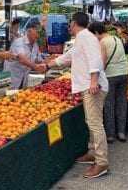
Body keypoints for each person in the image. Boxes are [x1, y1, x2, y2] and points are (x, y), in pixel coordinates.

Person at [46, 12, 109, 178]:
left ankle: (101, 162)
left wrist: (94, 81)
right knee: (91, 121)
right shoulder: (82, 38)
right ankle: (92, 152)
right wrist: (49, 65)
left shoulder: (86, 37)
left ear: (73, 23)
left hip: (92, 86)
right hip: (89, 86)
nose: (68, 27)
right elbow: (69, 56)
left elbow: (95, 59)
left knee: (95, 123)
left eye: (69, 24)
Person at [88, 22, 128, 144]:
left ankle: (110, 134)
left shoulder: (103, 42)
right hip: (124, 73)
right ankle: (121, 132)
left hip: (111, 75)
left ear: (96, 32)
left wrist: (94, 76)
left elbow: (103, 62)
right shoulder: (117, 38)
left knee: (109, 104)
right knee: (122, 102)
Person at [4, 25, 45, 89]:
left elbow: (38, 60)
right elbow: (22, 59)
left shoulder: (35, 45)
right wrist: (36, 67)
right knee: (9, 96)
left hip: (24, 77)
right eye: (37, 32)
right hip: (13, 76)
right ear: (29, 31)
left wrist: (50, 60)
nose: (38, 35)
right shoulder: (19, 42)